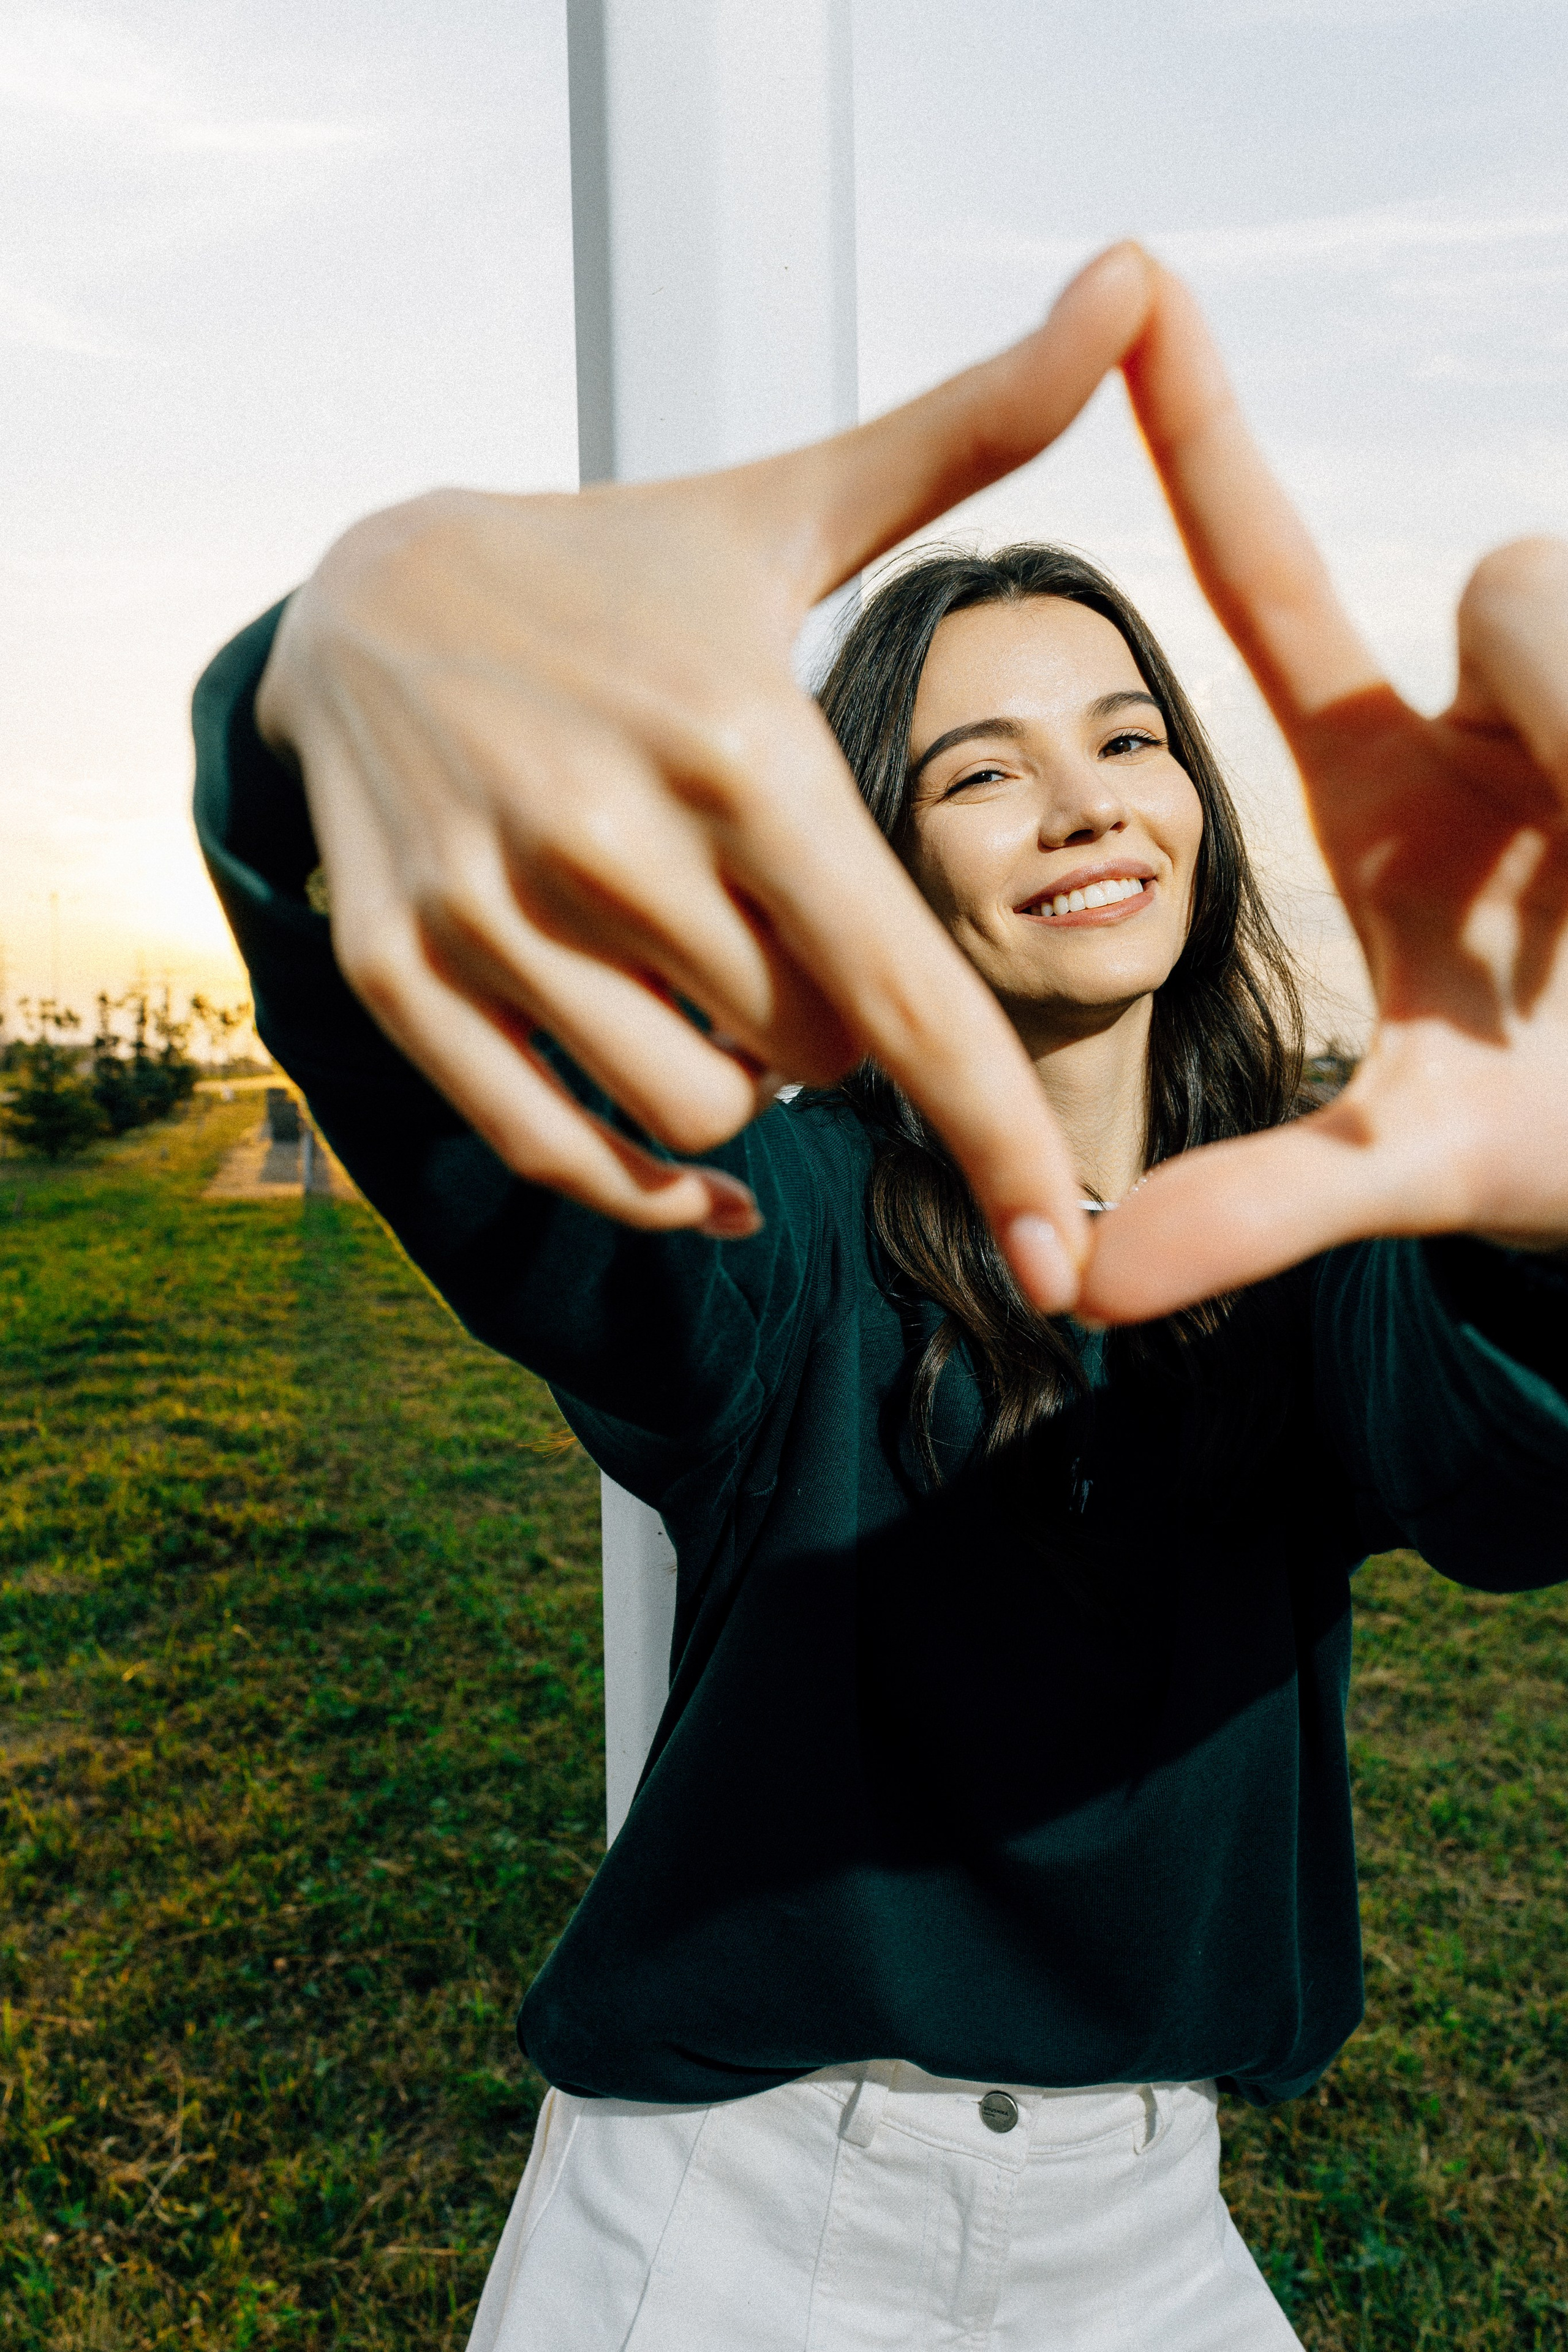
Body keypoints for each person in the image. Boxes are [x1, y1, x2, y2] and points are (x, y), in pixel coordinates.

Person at [193, 246, 1568, 2348]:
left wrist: (1549, 1223)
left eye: (1127, 736)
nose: (1088, 798)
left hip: (1151, 2229)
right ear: (884, 853)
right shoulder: (786, 1225)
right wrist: (308, 710)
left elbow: (1503, 1490)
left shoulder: (1334, 1216)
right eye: (981, 767)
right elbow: (469, 1093)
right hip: (738, 2219)